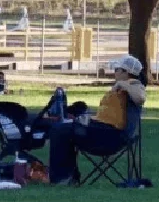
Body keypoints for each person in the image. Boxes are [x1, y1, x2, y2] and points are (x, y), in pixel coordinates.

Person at [48, 55, 148, 186]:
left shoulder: (134, 85)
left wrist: (123, 84)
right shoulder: (121, 87)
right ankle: (68, 176)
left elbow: (140, 98)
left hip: (111, 137)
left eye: (117, 69)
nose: (114, 71)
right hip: (102, 130)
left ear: (126, 72)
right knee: (63, 128)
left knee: (60, 130)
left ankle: (62, 178)